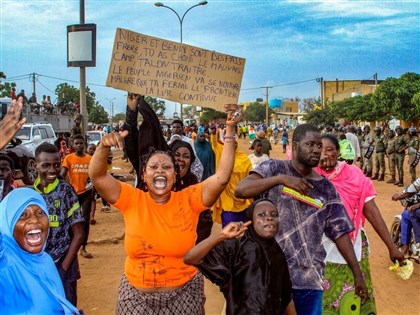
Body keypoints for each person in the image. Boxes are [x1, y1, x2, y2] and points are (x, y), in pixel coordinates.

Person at [89, 98, 241, 314]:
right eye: (153, 167)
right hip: (135, 298)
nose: (160, 170)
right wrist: (103, 147)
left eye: (166, 167)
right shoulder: (132, 199)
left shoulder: (190, 199)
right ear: (144, 175)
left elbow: (222, 177)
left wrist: (229, 129)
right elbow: (97, 176)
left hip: (185, 295)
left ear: (175, 175)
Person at [234, 124, 368, 315]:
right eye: (310, 144)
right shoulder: (274, 168)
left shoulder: (326, 188)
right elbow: (241, 190)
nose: (316, 150)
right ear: (295, 146)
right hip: (268, 275)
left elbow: (340, 232)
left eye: (319, 145)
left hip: (308, 279)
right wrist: (280, 179)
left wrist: (357, 273)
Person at [315, 134, 404, 315]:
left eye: (329, 149)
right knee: (324, 299)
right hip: (320, 249)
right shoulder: (309, 177)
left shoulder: (354, 175)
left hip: (353, 246)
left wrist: (392, 247)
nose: (324, 155)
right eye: (320, 150)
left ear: (338, 152)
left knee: (355, 295)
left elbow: (371, 211)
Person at [184, 199, 296, 315]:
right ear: (251, 221)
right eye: (261, 214)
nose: (269, 218)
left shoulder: (278, 253)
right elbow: (190, 258)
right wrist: (222, 235)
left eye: (274, 215)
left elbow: (286, 295)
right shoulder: (234, 248)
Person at [0, 188, 81, 315]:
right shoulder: (4, 269)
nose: (34, 220)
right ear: (7, 224)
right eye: (23, 215)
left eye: (40, 213)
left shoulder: (45, 261)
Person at [34, 143, 85, 306]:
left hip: (64, 264)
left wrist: (62, 269)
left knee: (66, 306)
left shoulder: (66, 191)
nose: (52, 170)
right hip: (37, 267)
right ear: (36, 166)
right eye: (46, 165)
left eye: (56, 165)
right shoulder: (29, 194)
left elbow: (79, 234)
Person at [210, 126, 253, 227]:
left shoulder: (244, 159)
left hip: (242, 198)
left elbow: (249, 177)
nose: (233, 146)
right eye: (230, 144)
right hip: (227, 199)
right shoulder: (222, 155)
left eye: (235, 144)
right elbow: (215, 144)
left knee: (243, 230)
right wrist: (213, 134)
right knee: (228, 230)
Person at [60, 134, 93, 259]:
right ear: (72, 145)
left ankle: (83, 247)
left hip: (87, 193)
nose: (79, 145)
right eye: (76, 143)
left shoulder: (90, 159)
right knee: (70, 219)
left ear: (84, 144)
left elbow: (95, 174)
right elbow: (63, 174)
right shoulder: (68, 158)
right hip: (72, 194)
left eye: (81, 143)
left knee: (85, 219)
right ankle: (69, 245)